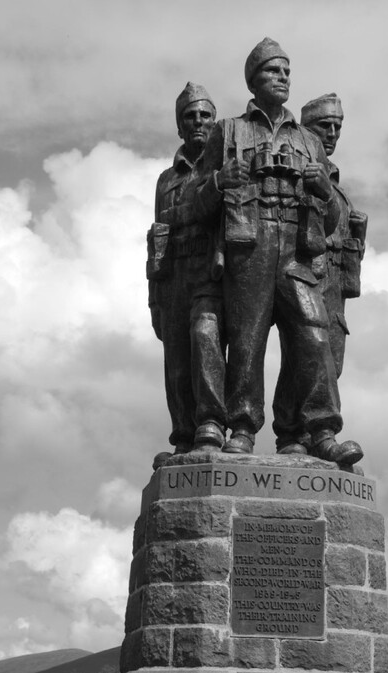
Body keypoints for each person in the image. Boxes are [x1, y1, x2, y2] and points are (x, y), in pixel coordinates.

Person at [195, 38, 362, 467]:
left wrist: (324, 190)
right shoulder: (228, 131)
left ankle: (316, 430)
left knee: (312, 333)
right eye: (273, 70)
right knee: (247, 341)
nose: (283, 77)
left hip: (296, 249)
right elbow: (192, 203)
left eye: (287, 70)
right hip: (247, 245)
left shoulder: (310, 141)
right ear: (253, 79)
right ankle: (243, 427)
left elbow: (333, 221)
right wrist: (219, 182)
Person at [273, 93, 367, 456]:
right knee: (308, 354)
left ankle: (305, 438)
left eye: (337, 127)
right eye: (323, 126)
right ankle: (295, 433)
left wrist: (358, 234)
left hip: (335, 284)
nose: (331, 133)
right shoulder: (299, 170)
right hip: (306, 272)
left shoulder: (338, 186)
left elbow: (342, 242)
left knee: (329, 364)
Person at [147, 83, 226, 465]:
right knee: (177, 363)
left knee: (205, 336)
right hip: (173, 275)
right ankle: (183, 438)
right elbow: (157, 234)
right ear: (179, 126)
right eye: (190, 116)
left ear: (215, 122)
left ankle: (211, 425)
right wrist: (153, 298)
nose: (198, 122)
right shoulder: (166, 179)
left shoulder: (225, 168)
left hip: (210, 274)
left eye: (205, 115)